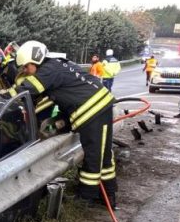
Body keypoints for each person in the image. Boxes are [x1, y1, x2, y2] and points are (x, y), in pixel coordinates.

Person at [10, 41, 117, 206]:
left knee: (94, 154)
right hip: (99, 107)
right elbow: (49, 100)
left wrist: (2, 95)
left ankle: (87, 197)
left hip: (93, 111)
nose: (25, 70)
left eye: (26, 66)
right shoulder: (57, 65)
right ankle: (107, 196)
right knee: (102, 154)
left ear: (34, 61)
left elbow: (28, 89)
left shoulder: (47, 71)